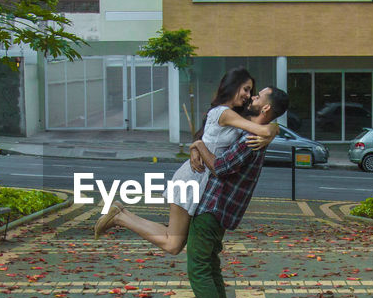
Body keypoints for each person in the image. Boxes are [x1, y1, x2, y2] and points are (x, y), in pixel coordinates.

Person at [94, 68, 278, 252]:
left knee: (174, 242)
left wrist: (273, 129)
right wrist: (271, 131)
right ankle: (120, 217)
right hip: (191, 177)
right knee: (173, 244)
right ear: (233, 85)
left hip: (200, 180)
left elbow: (256, 127)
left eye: (251, 91)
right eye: (245, 89)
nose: (248, 95)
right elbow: (261, 129)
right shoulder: (223, 112)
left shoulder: (233, 114)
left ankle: (121, 215)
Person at [185, 86, 290, 298]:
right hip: (219, 210)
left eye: (257, 96)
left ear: (265, 108)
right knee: (209, 266)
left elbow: (220, 167)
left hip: (214, 208)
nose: (252, 98)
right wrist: (272, 129)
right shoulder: (255, 133)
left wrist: (198, 145)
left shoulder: (249, 140)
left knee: (199, 268)